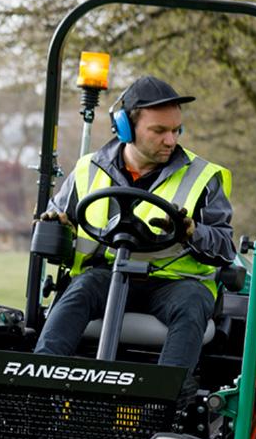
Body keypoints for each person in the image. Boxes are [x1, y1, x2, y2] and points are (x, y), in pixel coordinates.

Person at [34, 76, 235, 375]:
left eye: (176, 130)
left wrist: (193, 231)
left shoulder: (204, 177)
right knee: (79, 290)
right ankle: (40, 383)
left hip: (175, 285)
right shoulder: (88, 170)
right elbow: (54, 226)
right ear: (126, 128)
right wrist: (59, 225)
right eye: (159, 131)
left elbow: (225, 247)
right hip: (106, 275)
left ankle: (167, 401)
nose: (171, 140)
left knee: (193, 303)